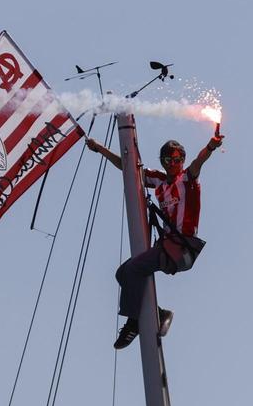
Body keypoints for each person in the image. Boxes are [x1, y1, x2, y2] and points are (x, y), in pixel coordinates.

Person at [85, 130, 224, 349]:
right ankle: (157, 312)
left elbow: (199, 162)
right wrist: (100, 149)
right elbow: (128, 168)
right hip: (165, 247)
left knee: (134, 269)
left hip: (182, 249)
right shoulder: (159, 180)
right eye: (169, 160)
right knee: (123, 272)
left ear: (183, 160)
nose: (173, 164)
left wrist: (211, 146)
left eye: (178, 159)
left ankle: (134, 323)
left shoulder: (187, 178)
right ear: (163, 161)